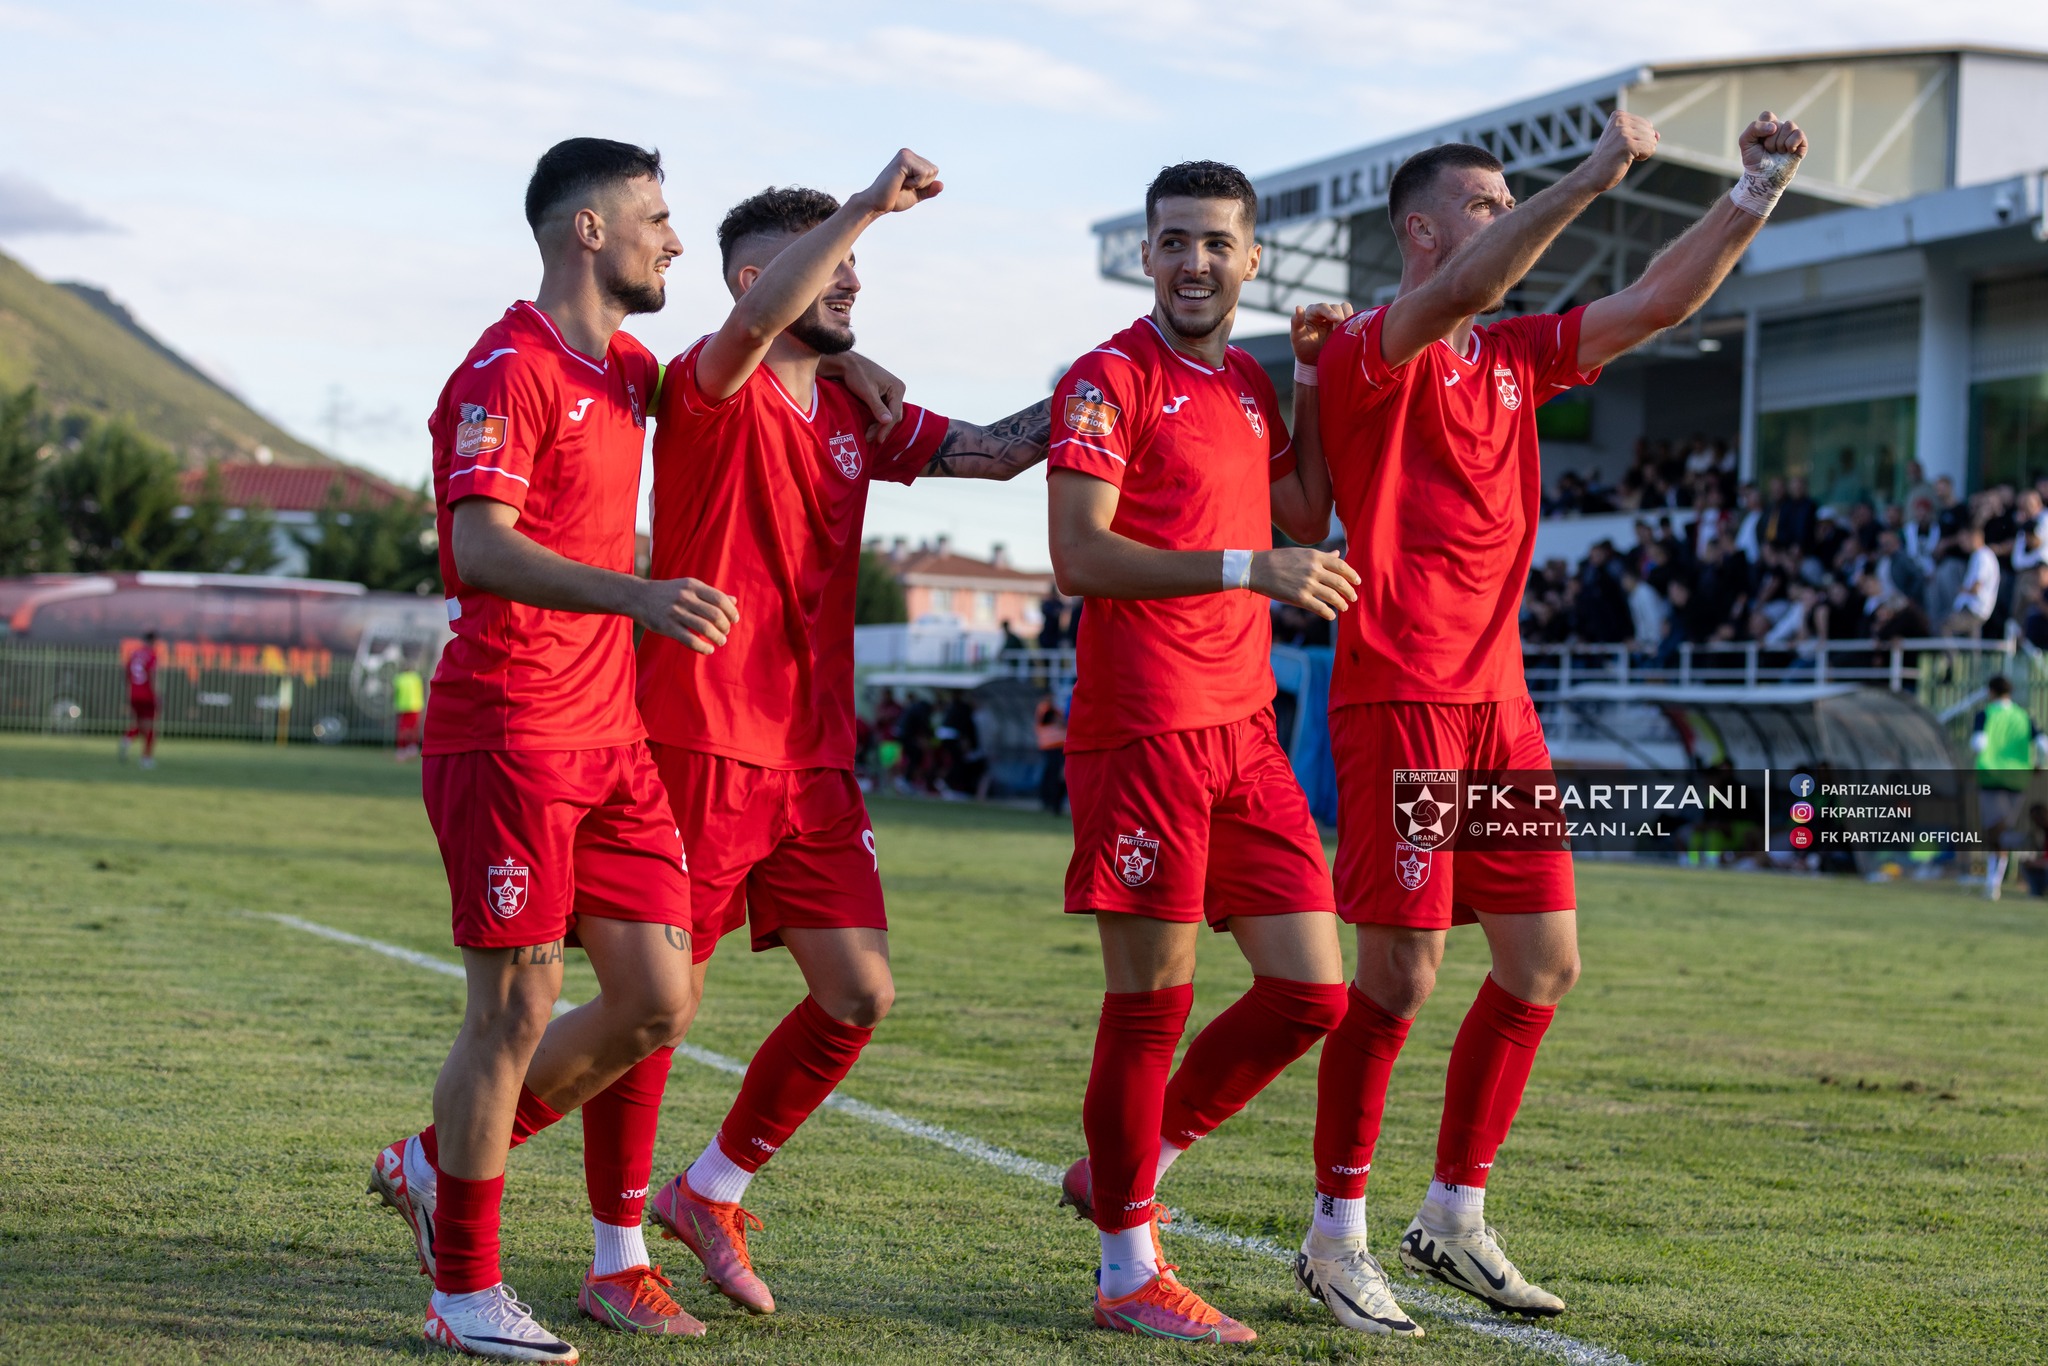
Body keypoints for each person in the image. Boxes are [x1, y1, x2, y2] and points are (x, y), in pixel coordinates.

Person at [1310, 108, 1807, 1322]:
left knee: (1540, 965)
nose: (1501, 220)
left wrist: (1749, 194)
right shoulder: (1374, 342)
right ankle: (1334, 1233)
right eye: (1482, 204)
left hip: (1495, 703)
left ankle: (1453, 1215)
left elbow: (1651, 304)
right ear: (1419, 231)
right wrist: (1592, 173)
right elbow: (1480, 276)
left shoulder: (1513, 354)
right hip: (1405, 693)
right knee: (1398, 975)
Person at [633, 152, 1057, 1315]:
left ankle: (706, 1189)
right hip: (701, 736)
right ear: (755, 278)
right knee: (655, 1005)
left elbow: (995, 451)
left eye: (861, 266)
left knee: (858, 993)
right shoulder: (710, 380)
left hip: (813, 759)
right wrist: (868, 201)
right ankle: (612, 1249)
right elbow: (760, 325)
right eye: (837, 264)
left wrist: (1110, 378)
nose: (855, 283)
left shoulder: (855, 409)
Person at [366, 138, 752, 1358]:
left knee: (656, 997)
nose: (674, 240)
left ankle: (433, 1164)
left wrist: (856, 331)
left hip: (612, 737)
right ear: (588, 230)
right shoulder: (504, 367)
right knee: (517, 1007)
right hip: (514, 730)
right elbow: (478, 545)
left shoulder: (630, 366)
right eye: (656, 217)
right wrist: (636, 598)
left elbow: (746, 352)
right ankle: (465, 1292)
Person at [1045, 159, 1375, 1344]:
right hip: (1142, 726)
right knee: (1148, 1005)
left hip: (1243, 731)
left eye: (1215, 243)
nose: (1193, 260)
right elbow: (1077, 555)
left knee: (1309, 991)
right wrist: (1248, 572)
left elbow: (1298, 513)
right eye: (1172, 240)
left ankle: (1126, 1164)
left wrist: (1303, 376)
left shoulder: (1241, 379)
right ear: (1146, 255)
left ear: (1249, 260)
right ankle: (1128, 1265)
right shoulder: (1105, 377)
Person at [1972, 675, 2046, 901]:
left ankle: (1992, 883)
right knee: (2004, 829)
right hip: (2018, 778)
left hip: (1991, 776)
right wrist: (2039, 764)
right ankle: (1995, 881)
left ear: (1991, 692)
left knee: (1995, 831)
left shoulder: (1986, 714)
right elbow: (2043, 743)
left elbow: (1978, 744)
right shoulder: (2023, 716)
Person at [1946, 521, 2000, 637]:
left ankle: (1951, 656)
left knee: (1944, 626)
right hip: (1974, 608)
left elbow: (1976, 588)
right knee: (1972, 644)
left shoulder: (1983, 557)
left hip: (1975, 609)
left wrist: (1961, 590)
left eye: (1964, 539)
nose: (1961, 543)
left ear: (1974, 537)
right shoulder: (1978, 556)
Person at [120, 630, 160, 769]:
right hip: (147, 695)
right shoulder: (151, 655)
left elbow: (126, 674)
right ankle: (146, 759)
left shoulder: (134, 654)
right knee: (150, 728)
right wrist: (157, 694)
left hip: (134, 694)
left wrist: (128, 691)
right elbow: (152, 676)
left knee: (140, 724)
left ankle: (127, 738)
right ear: (153, 641)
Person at [1035, 689, 1068, 815]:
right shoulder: (1045, 708)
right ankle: (1049, 800)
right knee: (1053, 774)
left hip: (1059, 746)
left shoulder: (1054, 709)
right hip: (1050, 746)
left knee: (1055, 774)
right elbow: (1049, 720)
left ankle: (1053, 801)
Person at [392, 666, 426, 760]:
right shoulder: (417, 678)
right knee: (413, 729)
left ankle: (401, 749)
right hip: (415, 706)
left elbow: (395, 692)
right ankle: (412, 748)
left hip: (402, 707)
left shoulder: (399, 678)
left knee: (402, 729)